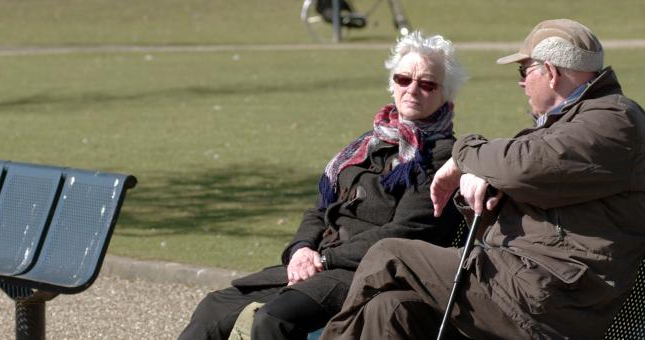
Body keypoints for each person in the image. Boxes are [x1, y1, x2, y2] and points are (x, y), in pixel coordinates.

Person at [320, 19, 645, 339]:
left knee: (388, 254)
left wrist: (462, 155)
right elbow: (523, 168)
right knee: (390, 309)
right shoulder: (567, 125)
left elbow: (524, 164)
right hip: (521, 282)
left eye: (524, 71)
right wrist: (486, 178)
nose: (521, 82)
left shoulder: (614, 119)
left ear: (551, 73)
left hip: (547, 299)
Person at [177, 31, 468, 340]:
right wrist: (301, 250)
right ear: (392, 83)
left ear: (444, 94)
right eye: (403, 79)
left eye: (426, 84)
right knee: (214, 307)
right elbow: (320, 209)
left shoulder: (440, 156)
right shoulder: (369, 143)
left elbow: (409, 233)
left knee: (274, 318)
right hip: (319, 265)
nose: (412, 90)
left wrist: (326, 259)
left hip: (368, 274)